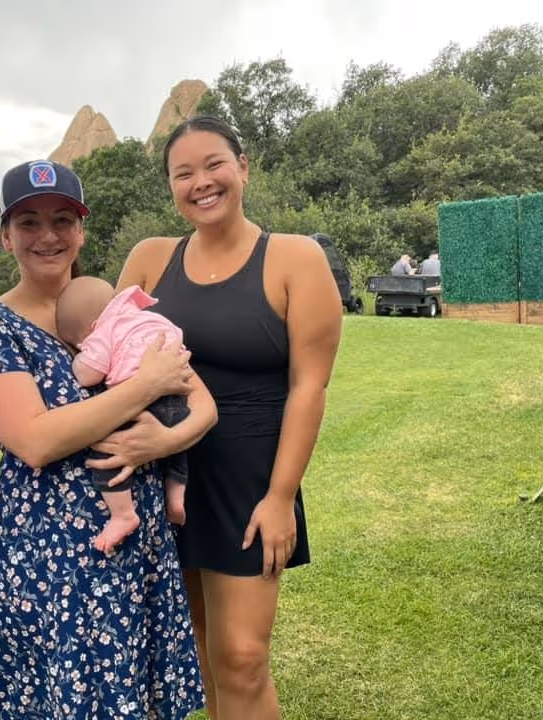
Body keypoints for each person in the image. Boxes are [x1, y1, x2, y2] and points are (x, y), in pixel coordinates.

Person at [0, 159, 217, 719]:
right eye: (29, 222)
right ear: (4, 235)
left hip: (133, 538)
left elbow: (203, 406)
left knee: (130, 695)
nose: (48, 236)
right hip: (47, 551)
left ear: (82, 230)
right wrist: (144, 385)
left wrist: (161, 445)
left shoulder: (111, 310)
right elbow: (37, 442)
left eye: (63, 219)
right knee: (57, 698)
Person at [114, 116, 343, 720]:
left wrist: (281, 497)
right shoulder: (149, 259)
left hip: (250, 479)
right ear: (169, 186)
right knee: (198, 653)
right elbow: (113, 357)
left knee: (241, 656)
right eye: (182, 173)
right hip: (167, 478)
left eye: (214, 164)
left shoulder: (295, 258)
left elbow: (309, 385)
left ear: (244, 166)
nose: (201, 182)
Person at [55, 275, 191, 552]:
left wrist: (78, 359)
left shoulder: (105, 331)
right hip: (179, 401)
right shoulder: (146, 318)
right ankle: (176, 496)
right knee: (177, 451)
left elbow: (88, 375)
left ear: (93, 326)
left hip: (140, 405)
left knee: (108, 455)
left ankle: (122, 515)